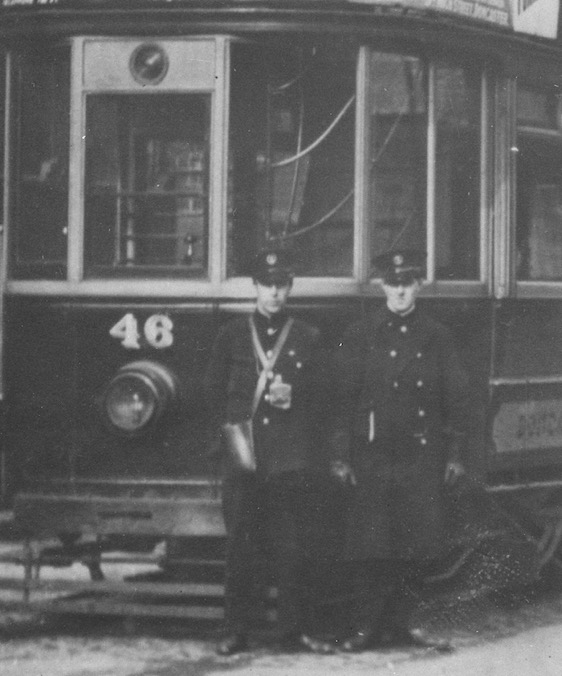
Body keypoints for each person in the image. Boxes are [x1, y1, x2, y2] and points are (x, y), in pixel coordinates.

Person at [328, 248, 472, 653]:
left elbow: (456, 398)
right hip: (372, 453)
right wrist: (340, 456)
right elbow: (343, 399)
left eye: (407, 283)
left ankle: (407, 625)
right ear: (381, 287)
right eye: (393, 283)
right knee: (371, 545)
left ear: (419, 286)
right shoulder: (362, 334)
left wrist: (455, 454)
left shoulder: (437, 336)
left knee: (416, 544)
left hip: (420, 454)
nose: (400, 292)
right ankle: (367, 628)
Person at [204, 247, 334, 656]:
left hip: (288, 461)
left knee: (291, 547)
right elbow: (212, 394)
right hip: (244, 458)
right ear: (255, 287)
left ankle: (291, 630)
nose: (274, 294)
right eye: (267, 285)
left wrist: (297, 395)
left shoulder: (308, 336)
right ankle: (236, 630)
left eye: (281, 285)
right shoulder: (231, 335)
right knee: (240, 545)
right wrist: (220, 450)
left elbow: (325, 400)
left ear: (289, 288)